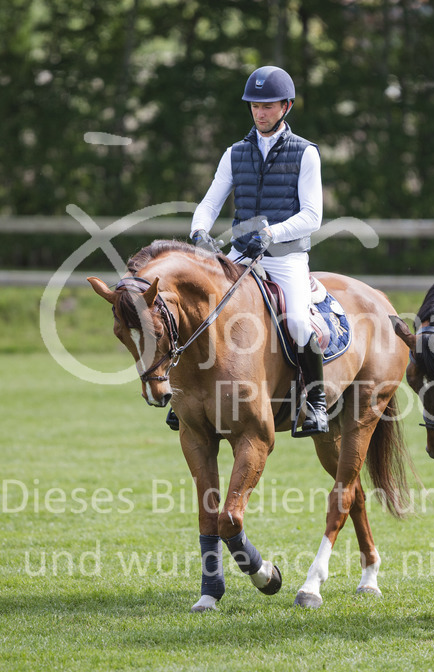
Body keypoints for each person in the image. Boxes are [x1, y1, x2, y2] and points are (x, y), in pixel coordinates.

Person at [189, 65, 328, 436]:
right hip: (240, 255)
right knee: (197, 310)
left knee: (298, 322)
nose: (260, 112)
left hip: (286, 257)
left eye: (268, 106)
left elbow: (312, 215)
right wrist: (199, 230)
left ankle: (315, 400)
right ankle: (186, 395)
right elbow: (210, 201)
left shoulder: (306, 153)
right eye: (254, 106)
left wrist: (274, 232)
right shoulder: (234, 153)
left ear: (286, 106)